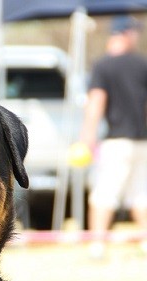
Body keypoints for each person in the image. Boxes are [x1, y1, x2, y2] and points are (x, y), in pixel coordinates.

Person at [79, 15, 147, 258]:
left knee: (104, 194)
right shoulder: (142, 65)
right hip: (142, 141)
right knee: (141, 194)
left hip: (116, 142)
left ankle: (98, 244)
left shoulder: (103, 65)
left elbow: (96, 103)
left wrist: (87, 138)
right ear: (125, 34)